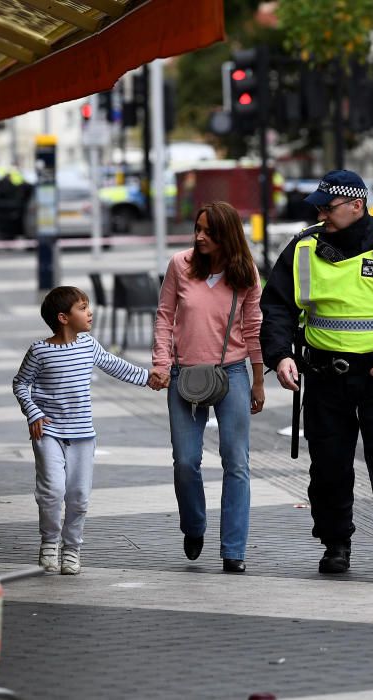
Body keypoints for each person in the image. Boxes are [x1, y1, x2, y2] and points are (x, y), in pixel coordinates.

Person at [259, 169, 373, 578]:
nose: (322, 213)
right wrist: (279, 356)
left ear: (357, 205)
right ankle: (335, 544)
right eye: (320, 207)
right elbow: (276, 307)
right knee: (329, 466)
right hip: (325, 375)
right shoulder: (303, 247)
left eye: (329, 206)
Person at [13, 286, 164, 575]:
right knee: (52, 491)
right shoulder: (39, 351)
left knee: (79, 495)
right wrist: (33, 412)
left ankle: (71, 549)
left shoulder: (89, 345)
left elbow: (114, 365)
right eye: (82, 308)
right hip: (49, 433)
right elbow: (20, 383)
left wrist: (148, 378)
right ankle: (49, 542)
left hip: (83, 435)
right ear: (63, 317)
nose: (89, 312)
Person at [151, 201, 265, 574]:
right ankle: (194, 525)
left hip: (231, 374)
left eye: (208, 232)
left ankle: (234, 549)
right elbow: (165, 317)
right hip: (184, 374)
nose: (199, 237)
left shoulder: (245, 271)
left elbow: (253, 329)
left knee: (237, 462)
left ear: (226, 236)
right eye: (197, 229)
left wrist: (259, 379)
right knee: (185, 461)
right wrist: (161, 364)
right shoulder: (180, 265)